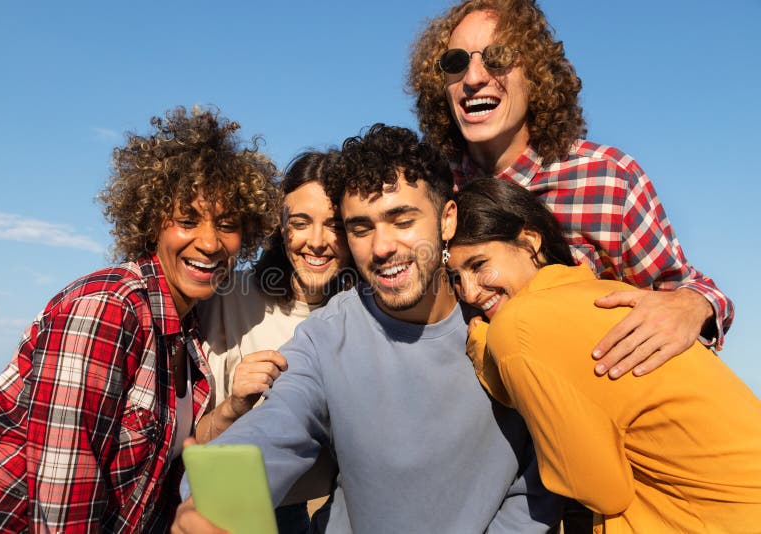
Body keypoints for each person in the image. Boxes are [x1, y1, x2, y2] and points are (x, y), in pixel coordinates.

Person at [171, 124, 562, 533]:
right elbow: (279, 425)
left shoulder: (503, 320)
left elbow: (536, 485)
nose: (381, 247)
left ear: (447, 220)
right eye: (360, 228)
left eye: (401, 220)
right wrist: (215, 499)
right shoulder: (327, 335)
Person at [0, 107, 280, 532]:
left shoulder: (185, 329)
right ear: (152, 223)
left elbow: (170, 448)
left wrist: (233, 408)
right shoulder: (109, 307)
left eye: (227, 224)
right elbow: (64, 482)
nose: (209, 242)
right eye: (187, 221)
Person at [407, 0, 734, 379]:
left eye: (497, 58)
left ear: (537, 75)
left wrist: (693, 306)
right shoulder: (430, 191)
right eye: (456, 62)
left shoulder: (608, 180)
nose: (474, 77)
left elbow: (688, 292)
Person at [448, 178, 761, 532]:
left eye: (478, 265)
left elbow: (598, 490)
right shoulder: (607, 292)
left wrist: (484, 350)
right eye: (455, 278)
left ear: (530, 241)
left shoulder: (516, 327)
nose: (469, 293)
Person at [195, 150, 354, 533]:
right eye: (300, 222)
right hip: (226, 505)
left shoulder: (361, 316)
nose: (317, 242)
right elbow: (191, 436)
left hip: (327, 513)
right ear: (279, 227)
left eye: (333, 225)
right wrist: (235, 405)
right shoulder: (227, 296)